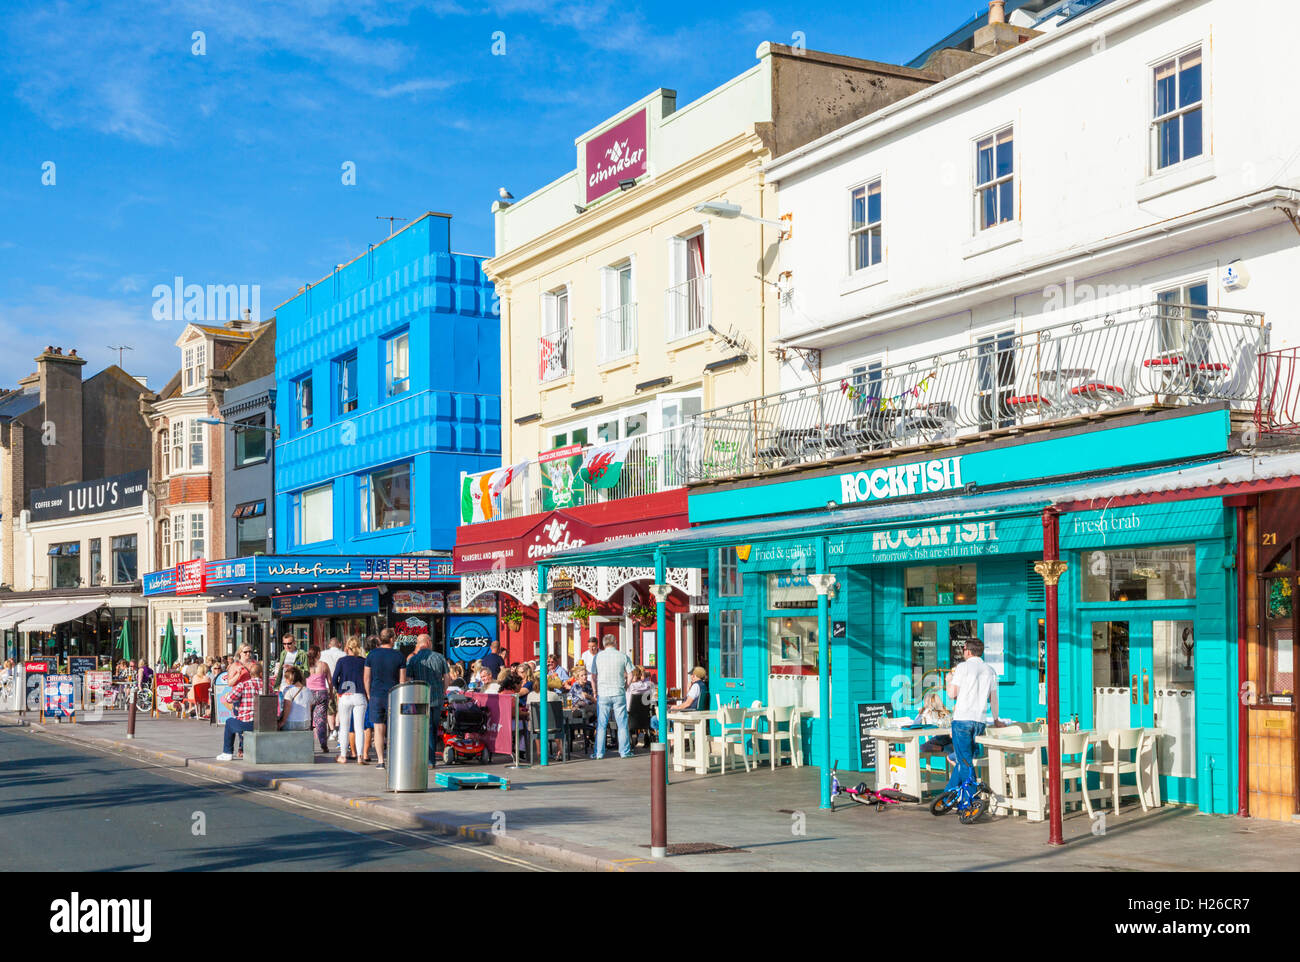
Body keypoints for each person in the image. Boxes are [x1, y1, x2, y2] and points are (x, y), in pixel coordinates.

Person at [942, 638, 1000, 794]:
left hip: (962, 720)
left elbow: (952, 693)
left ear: (967, 650)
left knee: (965, 761)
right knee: (965, 760)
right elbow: (993, 698)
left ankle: (972, 796)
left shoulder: (963, 667)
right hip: (979, 721)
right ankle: (948, 795)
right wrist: (996, 719)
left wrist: (948, 681)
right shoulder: (990, 670)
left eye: (963, 649)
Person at [363, 628, 407, 769]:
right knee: (394, 728)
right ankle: (395, 759)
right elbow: (402, 681)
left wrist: (369, 694)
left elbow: (366, 678)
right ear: (392, 639)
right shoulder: (399, 656)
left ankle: (381, 761)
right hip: (394, 695)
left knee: (378, 729)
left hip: (376, 695)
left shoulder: (371, 655)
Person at [406, 633, 448, 768]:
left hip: (419, 698)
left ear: (419, 644)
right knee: (433, 728)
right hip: (436, 698)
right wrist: (443, 691)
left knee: (419, 729)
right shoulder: (439, 657)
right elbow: (447, 677)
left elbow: (408, 680)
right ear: (429, 642)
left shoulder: (413, 660)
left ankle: (420, 758)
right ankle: (430, 760)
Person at [591, 637, 634, 759]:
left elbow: (593, 677)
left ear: (603, 644)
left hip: (603, 693)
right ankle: (624, 752)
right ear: (615, 642)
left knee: (601, 725)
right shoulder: (622, 656)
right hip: (618, 692)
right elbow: (631, 674)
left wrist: (595, 691)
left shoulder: (598, 657)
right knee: (622, 724)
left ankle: (599, 753)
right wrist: (625, 686)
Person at [216, 660, 264, 761]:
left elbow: (229, 699)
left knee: (229, 722)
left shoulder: (244, 685)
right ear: (261, 674)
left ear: (250, 674)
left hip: (248, 723)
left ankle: (227, 752)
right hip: (263, 723)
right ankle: (242, 749)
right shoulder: (267, 686)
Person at [333, 638, 368, 764]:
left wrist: (339, 690)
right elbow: (368, 679)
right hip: (359, 694)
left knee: (344, 727)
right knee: (359, 728)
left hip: (345, 696)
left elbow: (334, 679)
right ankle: (360, 756)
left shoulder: (342, 661)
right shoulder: (364, 661)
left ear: (347, 647)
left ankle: (343, 756)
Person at [306, 658, 334, 752]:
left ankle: (308, 745)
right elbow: (330, 681)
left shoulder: (306, 665)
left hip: (308, 693)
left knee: (307, 720)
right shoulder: (324, 665)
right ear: (318, 653)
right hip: (322, 693)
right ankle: (323, 745)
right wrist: (331, 694)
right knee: (321, 721)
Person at [278, 666, 312, 731]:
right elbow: (309, 707)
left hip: (291, 723)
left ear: (289, 679)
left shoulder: (288, 690)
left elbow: (287, 707)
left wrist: (282, 722)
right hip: (306, 723)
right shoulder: (308, 690)